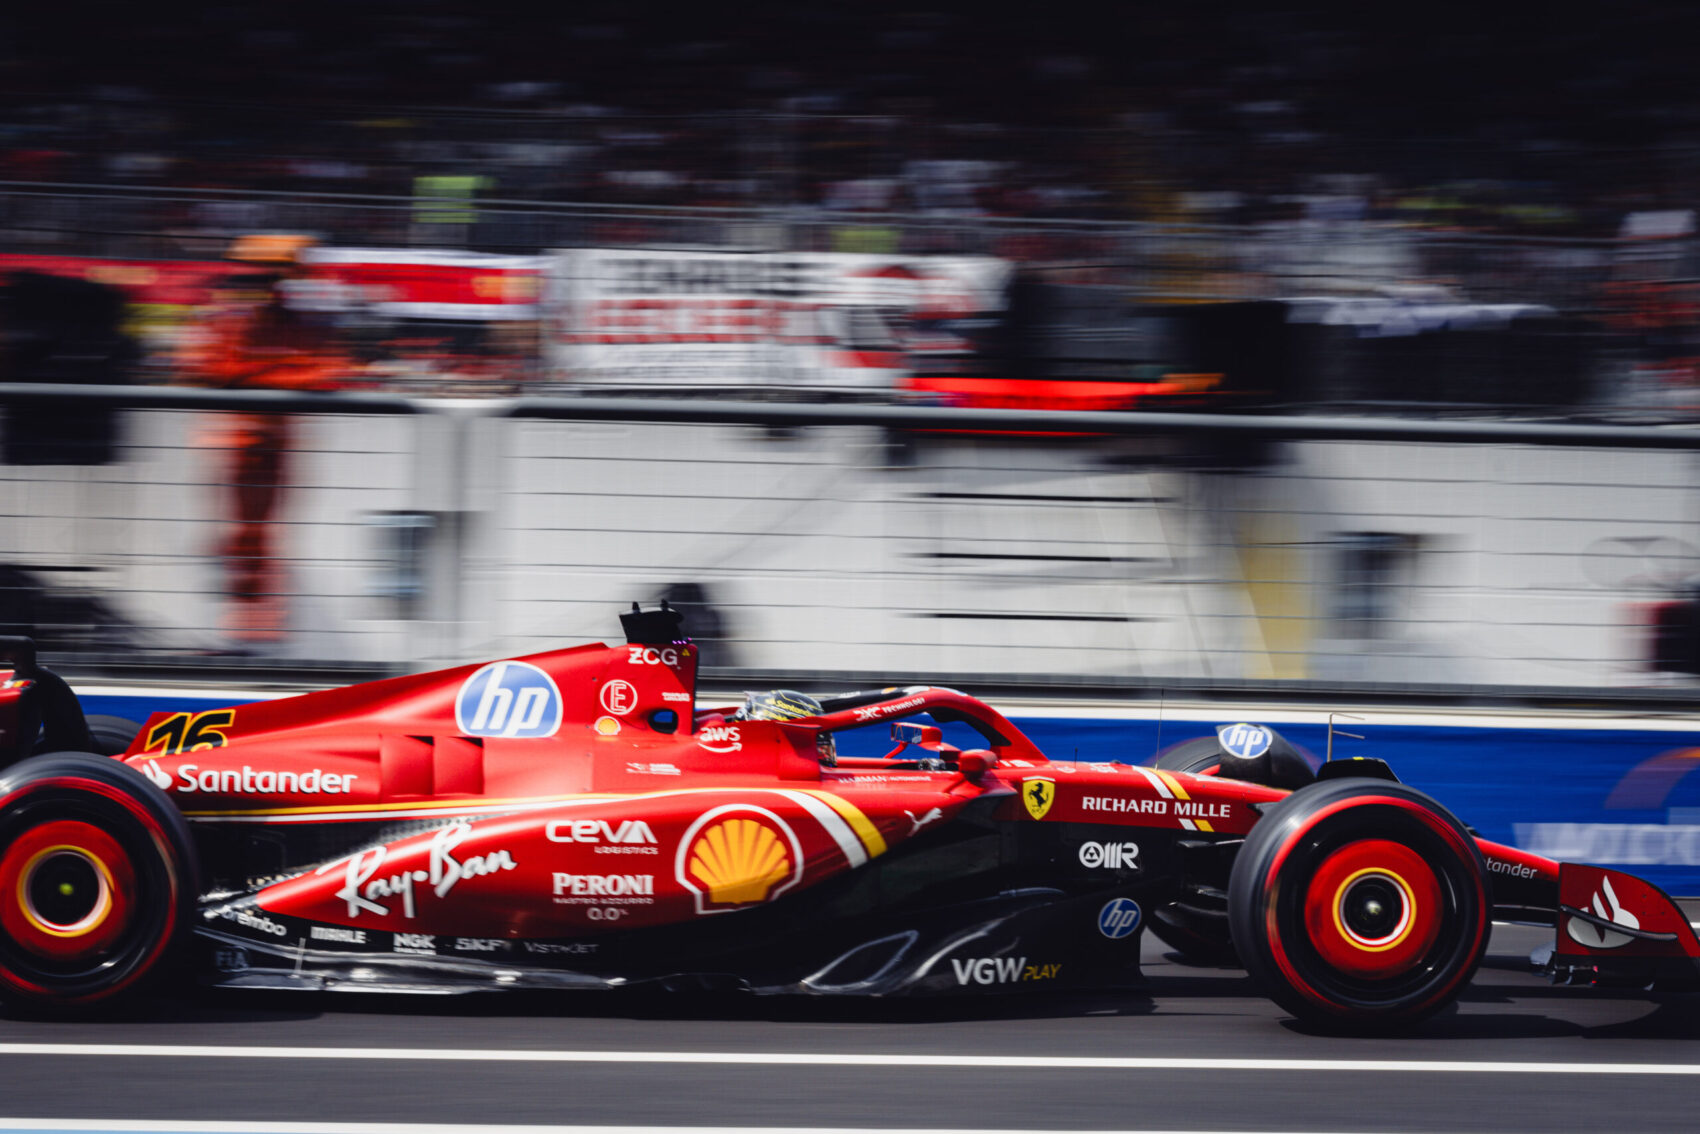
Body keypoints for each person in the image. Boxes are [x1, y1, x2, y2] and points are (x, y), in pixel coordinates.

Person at [181, 234, 346, 650]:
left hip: (269, 442)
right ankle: (244, 626)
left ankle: (253, 628)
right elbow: (206, 368)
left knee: (261, 533)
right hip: (242, 443)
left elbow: (329, 373)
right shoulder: (230, 320)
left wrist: (258, 377)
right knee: (246, 533)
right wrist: (279, 377)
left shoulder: (294, 322)